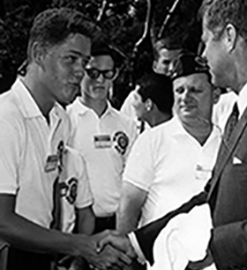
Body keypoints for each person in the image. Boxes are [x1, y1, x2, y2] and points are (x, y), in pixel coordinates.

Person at [99, 1, 247, 270]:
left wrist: (216, 247)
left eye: (205, 42)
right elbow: (211, 199)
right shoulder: (245, 107)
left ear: (229, 37)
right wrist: (138, 243)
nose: (203, 54)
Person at [0, 8, 132, 270]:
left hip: (42, 252)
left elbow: (52, 198)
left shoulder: (59, 117)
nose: (79, 72)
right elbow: (2, 221)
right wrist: (79, 245)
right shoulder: (6, 117)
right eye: (70, 59)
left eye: (84, 62)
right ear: (38, 53)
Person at [117, 53, 222, 236]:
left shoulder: (228, 143)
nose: (186, 97)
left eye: (195, 90)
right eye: (179, 91)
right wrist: (126, 255)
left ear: (215, 96)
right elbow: (128, 206)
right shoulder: (151, 141)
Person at [67, 38, 138, 234]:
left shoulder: (126, 124)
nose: (100, 81)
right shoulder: (65, 120)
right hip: (75, 225)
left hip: (118, 224)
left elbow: (133, 179)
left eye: (108, 74)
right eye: (93, 73)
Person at [120, 37, 183, 132]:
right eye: (166, 62)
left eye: (176, 62)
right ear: (155, 66)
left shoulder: (188, 98)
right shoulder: (136, 98)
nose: (171, 68)